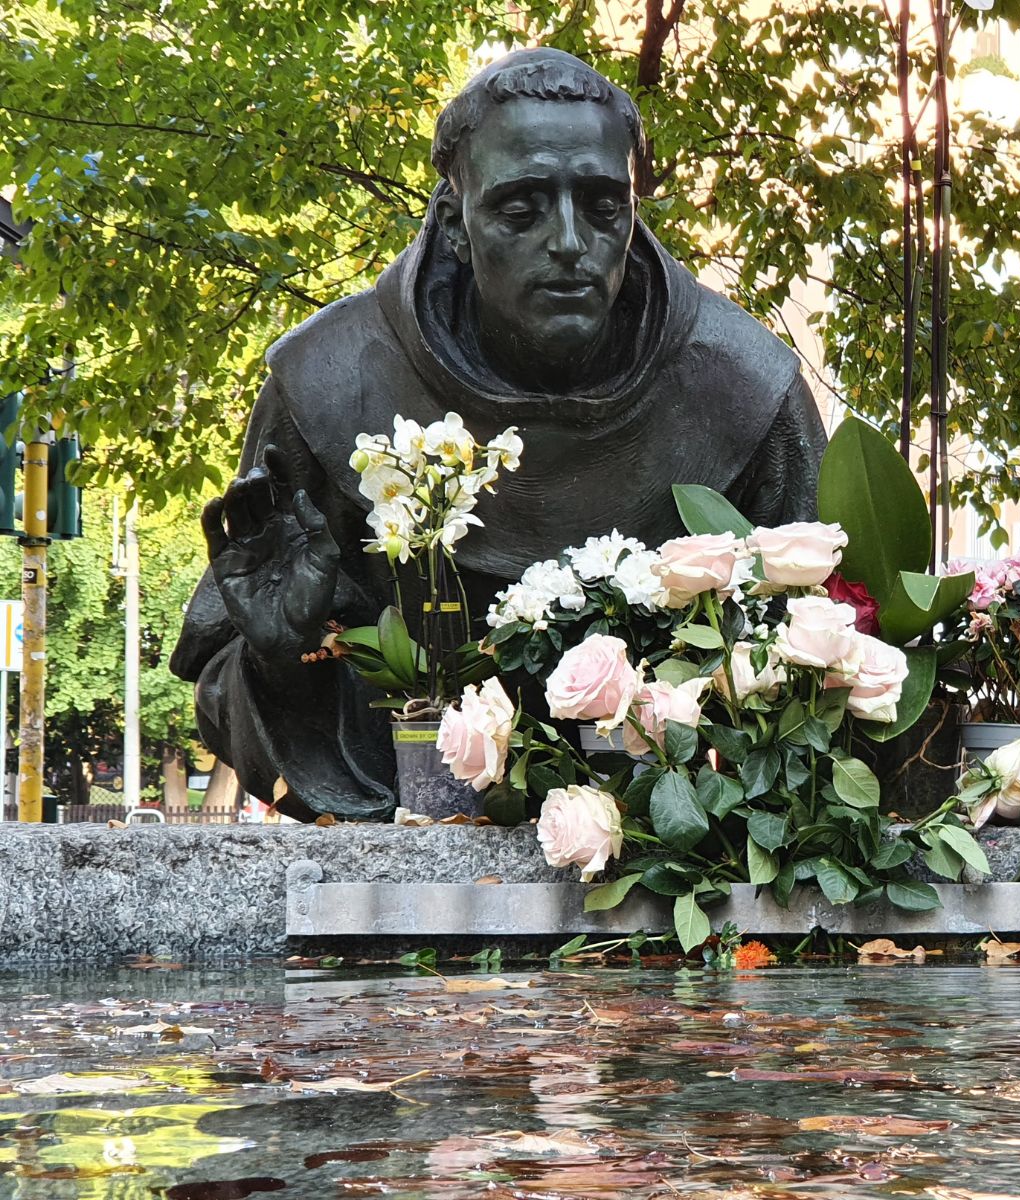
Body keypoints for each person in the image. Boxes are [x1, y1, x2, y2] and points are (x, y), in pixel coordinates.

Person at [171, 48, 826, 821]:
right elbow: (222, 683)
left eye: (605, 206)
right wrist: (286, 659)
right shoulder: (324, 387)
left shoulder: (747, 390)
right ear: (454, 224)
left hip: (672, 863)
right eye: (521, 211)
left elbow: (842, 666)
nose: (571, 243)